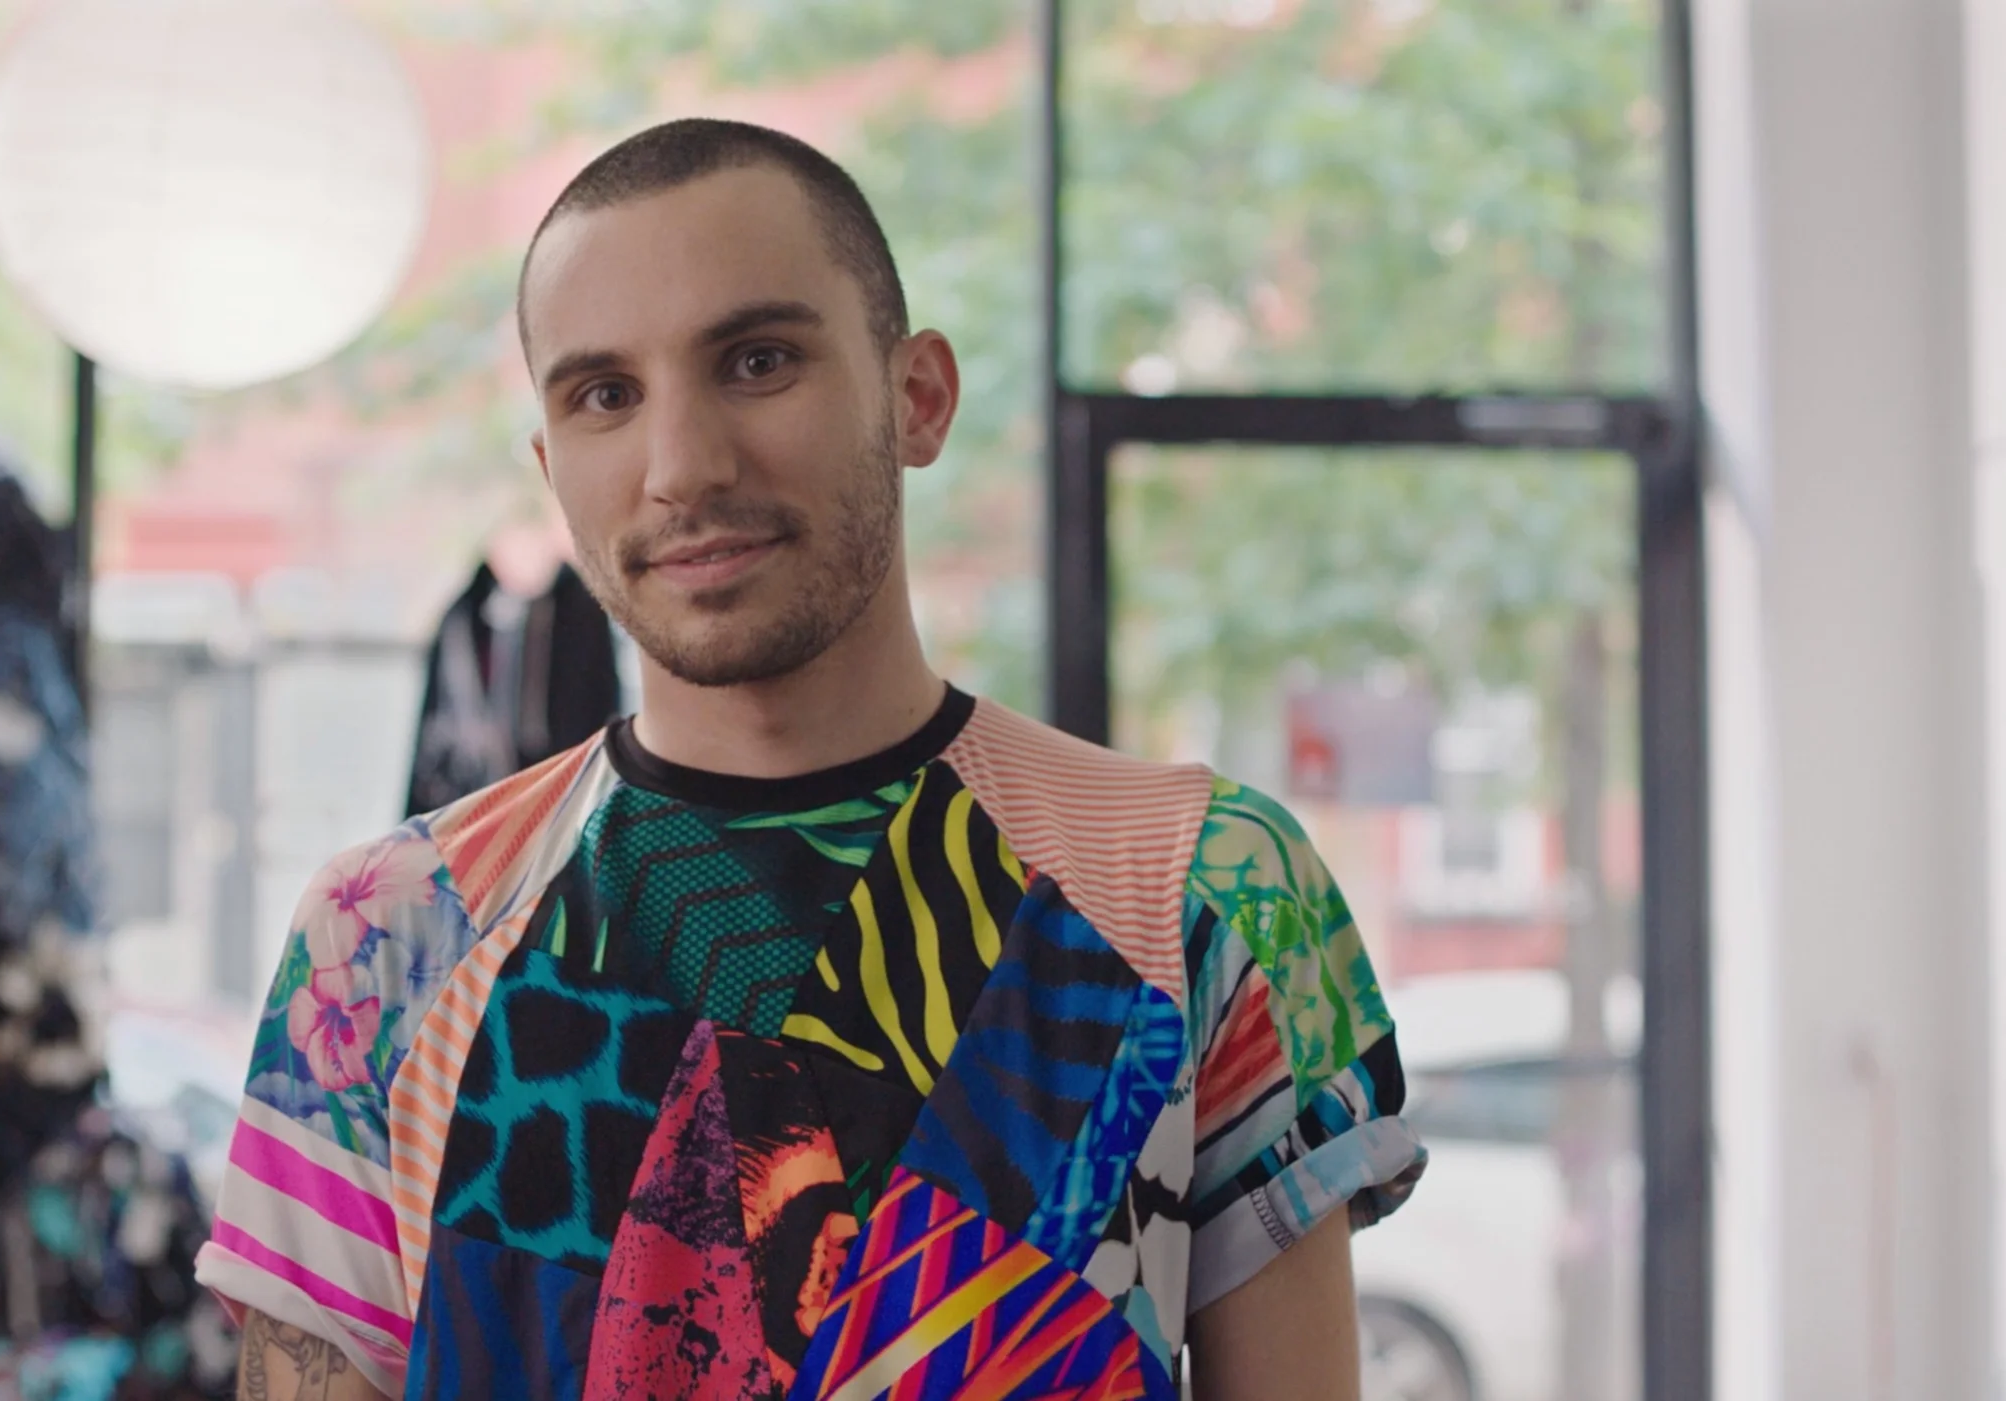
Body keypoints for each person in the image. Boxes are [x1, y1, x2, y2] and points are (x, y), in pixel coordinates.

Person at [196, 118, 1424, 1401]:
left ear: (917, 398)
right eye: (605, 395)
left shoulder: (1205, 884)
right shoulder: (388, 936)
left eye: (758, 361)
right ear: (552, 467)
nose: (683, 467)